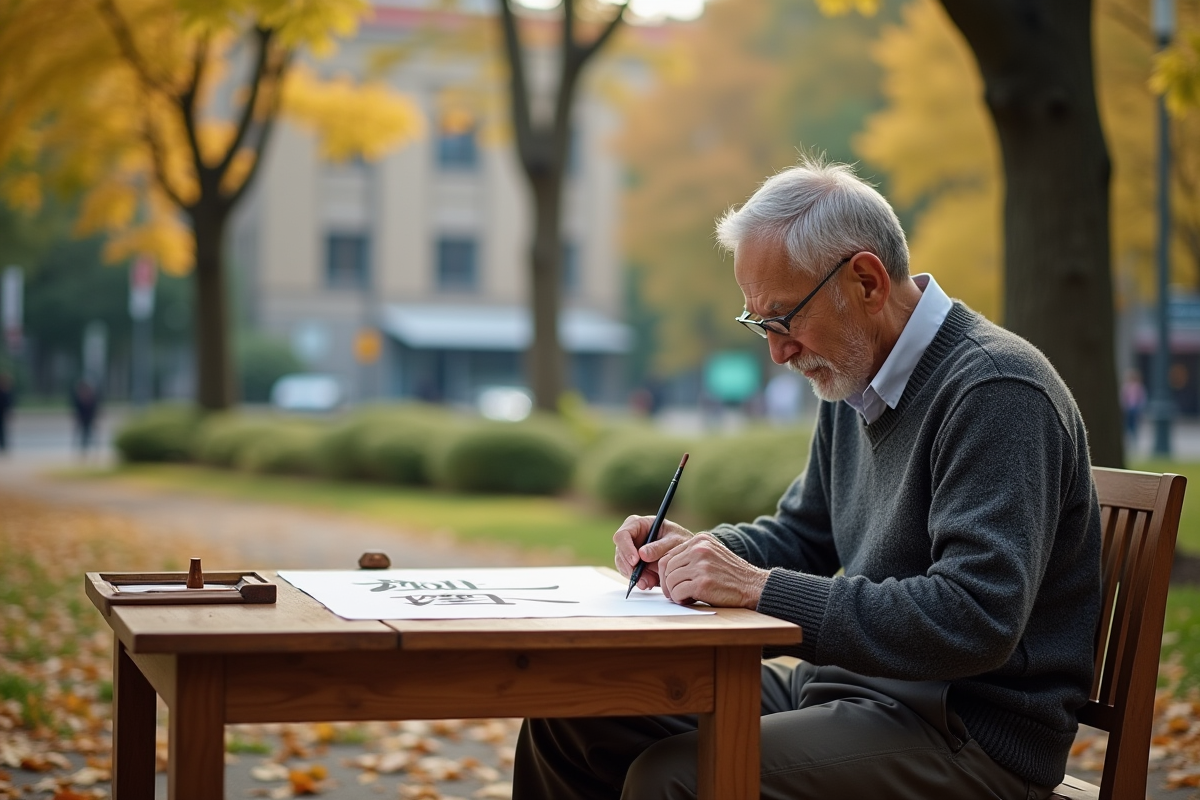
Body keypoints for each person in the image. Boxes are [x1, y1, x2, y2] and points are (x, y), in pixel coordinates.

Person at [514, 157, 1102, 800]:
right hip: (851, 689)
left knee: (674, 779)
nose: (777, 350)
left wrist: (756, 588)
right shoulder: (856, 380)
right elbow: (803, 535)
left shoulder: (995, 390)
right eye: (759, 323)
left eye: (784, 318)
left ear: (867, 282)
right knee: (571, 713)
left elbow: (975, 619)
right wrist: (699, 555)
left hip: (967, 732)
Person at [71, 377, 100, 455]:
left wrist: (95, 417)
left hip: (89, 418)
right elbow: (76, 408)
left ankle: (94, 451)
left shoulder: (91, 396)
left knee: (91, 434)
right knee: (82, 434)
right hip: (82, 418)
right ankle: (82, 450)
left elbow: (94, 407)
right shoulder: (78, 397)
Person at [1120, 368, 1146, 442]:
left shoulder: (1139, 387)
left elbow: (1142, 398)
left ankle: (1134, 438)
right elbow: (1123, 397)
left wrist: (1140, 408)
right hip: (1128, 408)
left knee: (1134, 424)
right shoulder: (1126, 387)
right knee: (1128, 424)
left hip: (1135, 409)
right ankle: (1129, 438)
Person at [0, 372, 13, 453]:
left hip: (2, 413)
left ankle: (4, 446)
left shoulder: (7, 392)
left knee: (3, 430)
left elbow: (9, 403)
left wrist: (8, 412)